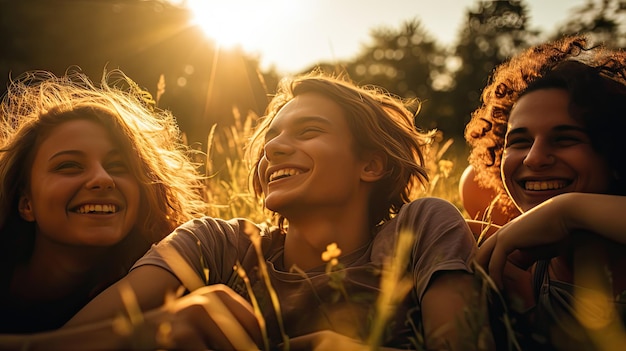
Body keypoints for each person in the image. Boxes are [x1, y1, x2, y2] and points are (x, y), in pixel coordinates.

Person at [2, 72, 492, 350]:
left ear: (371, 163)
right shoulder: (215, 243)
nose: (275, 148)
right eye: (272, 137)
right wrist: (146, 333)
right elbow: (70, 342)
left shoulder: (423, 226)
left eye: (307, 132)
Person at [0, 69, 209, 333]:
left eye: (118, 165)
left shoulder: (162, 281)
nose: (103, 178)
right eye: (69, 165)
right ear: (26, 204)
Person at [464, 35, 626, 350]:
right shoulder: (501, 259)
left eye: (565, 139)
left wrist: (567, 212)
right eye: (519, 141)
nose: (534, 158)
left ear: (615, 151)